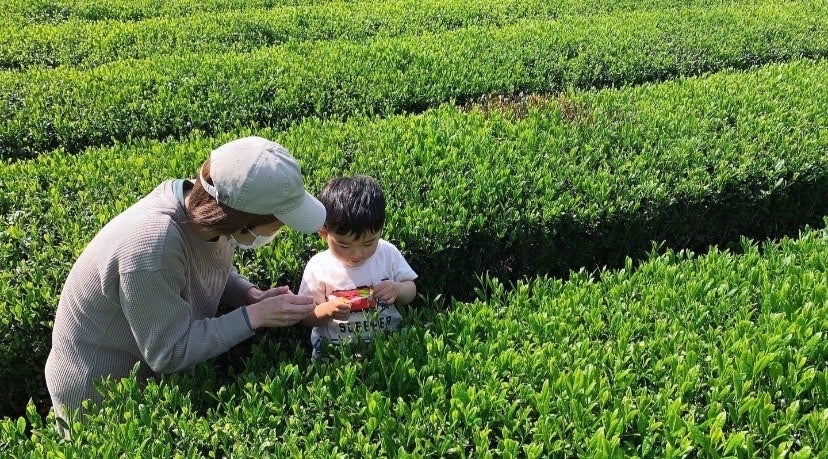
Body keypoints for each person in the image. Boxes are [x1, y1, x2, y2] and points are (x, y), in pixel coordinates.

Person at [45, 136, 326, 433]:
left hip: (141, 378)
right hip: (99, 394)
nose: (280, 230)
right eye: (278, 223)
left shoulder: (205, 212)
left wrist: (249, 295)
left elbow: (206, 263)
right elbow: (169, 351)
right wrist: (254, 317)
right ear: (242, 221)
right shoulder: (153, 247)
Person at [300, 175, 417, 359]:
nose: (357, 254)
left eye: (369, 243)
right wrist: (328, 310)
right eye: (344, 245)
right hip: (336, 354)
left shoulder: (387, 253)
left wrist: (397, 289)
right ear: (324, 233)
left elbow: (411, 290)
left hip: (387, 347)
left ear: (380, 230)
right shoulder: (318, 267)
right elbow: (306, 317)